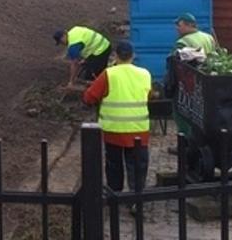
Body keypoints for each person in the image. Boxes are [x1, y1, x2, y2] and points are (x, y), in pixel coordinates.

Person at [83, 41, 152, 197]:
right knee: (137, 165)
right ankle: (136, 197)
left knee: (114, 164)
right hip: (139, 129)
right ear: (133, 56)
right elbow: (148, 96)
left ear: (116, 56)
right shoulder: (145, 74)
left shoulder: (109, 74)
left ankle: (115, 195)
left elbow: (90, 97)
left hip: (113, 129)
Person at [165, 13, 217, 153]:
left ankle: (185, 146)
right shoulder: (208, 37)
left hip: (187, 86)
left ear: (189, 25)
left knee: (182, 116)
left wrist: (170, 85)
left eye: (179, 25)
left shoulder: (183, 42)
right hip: (205, 83)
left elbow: (174, 66)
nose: (177, 28)